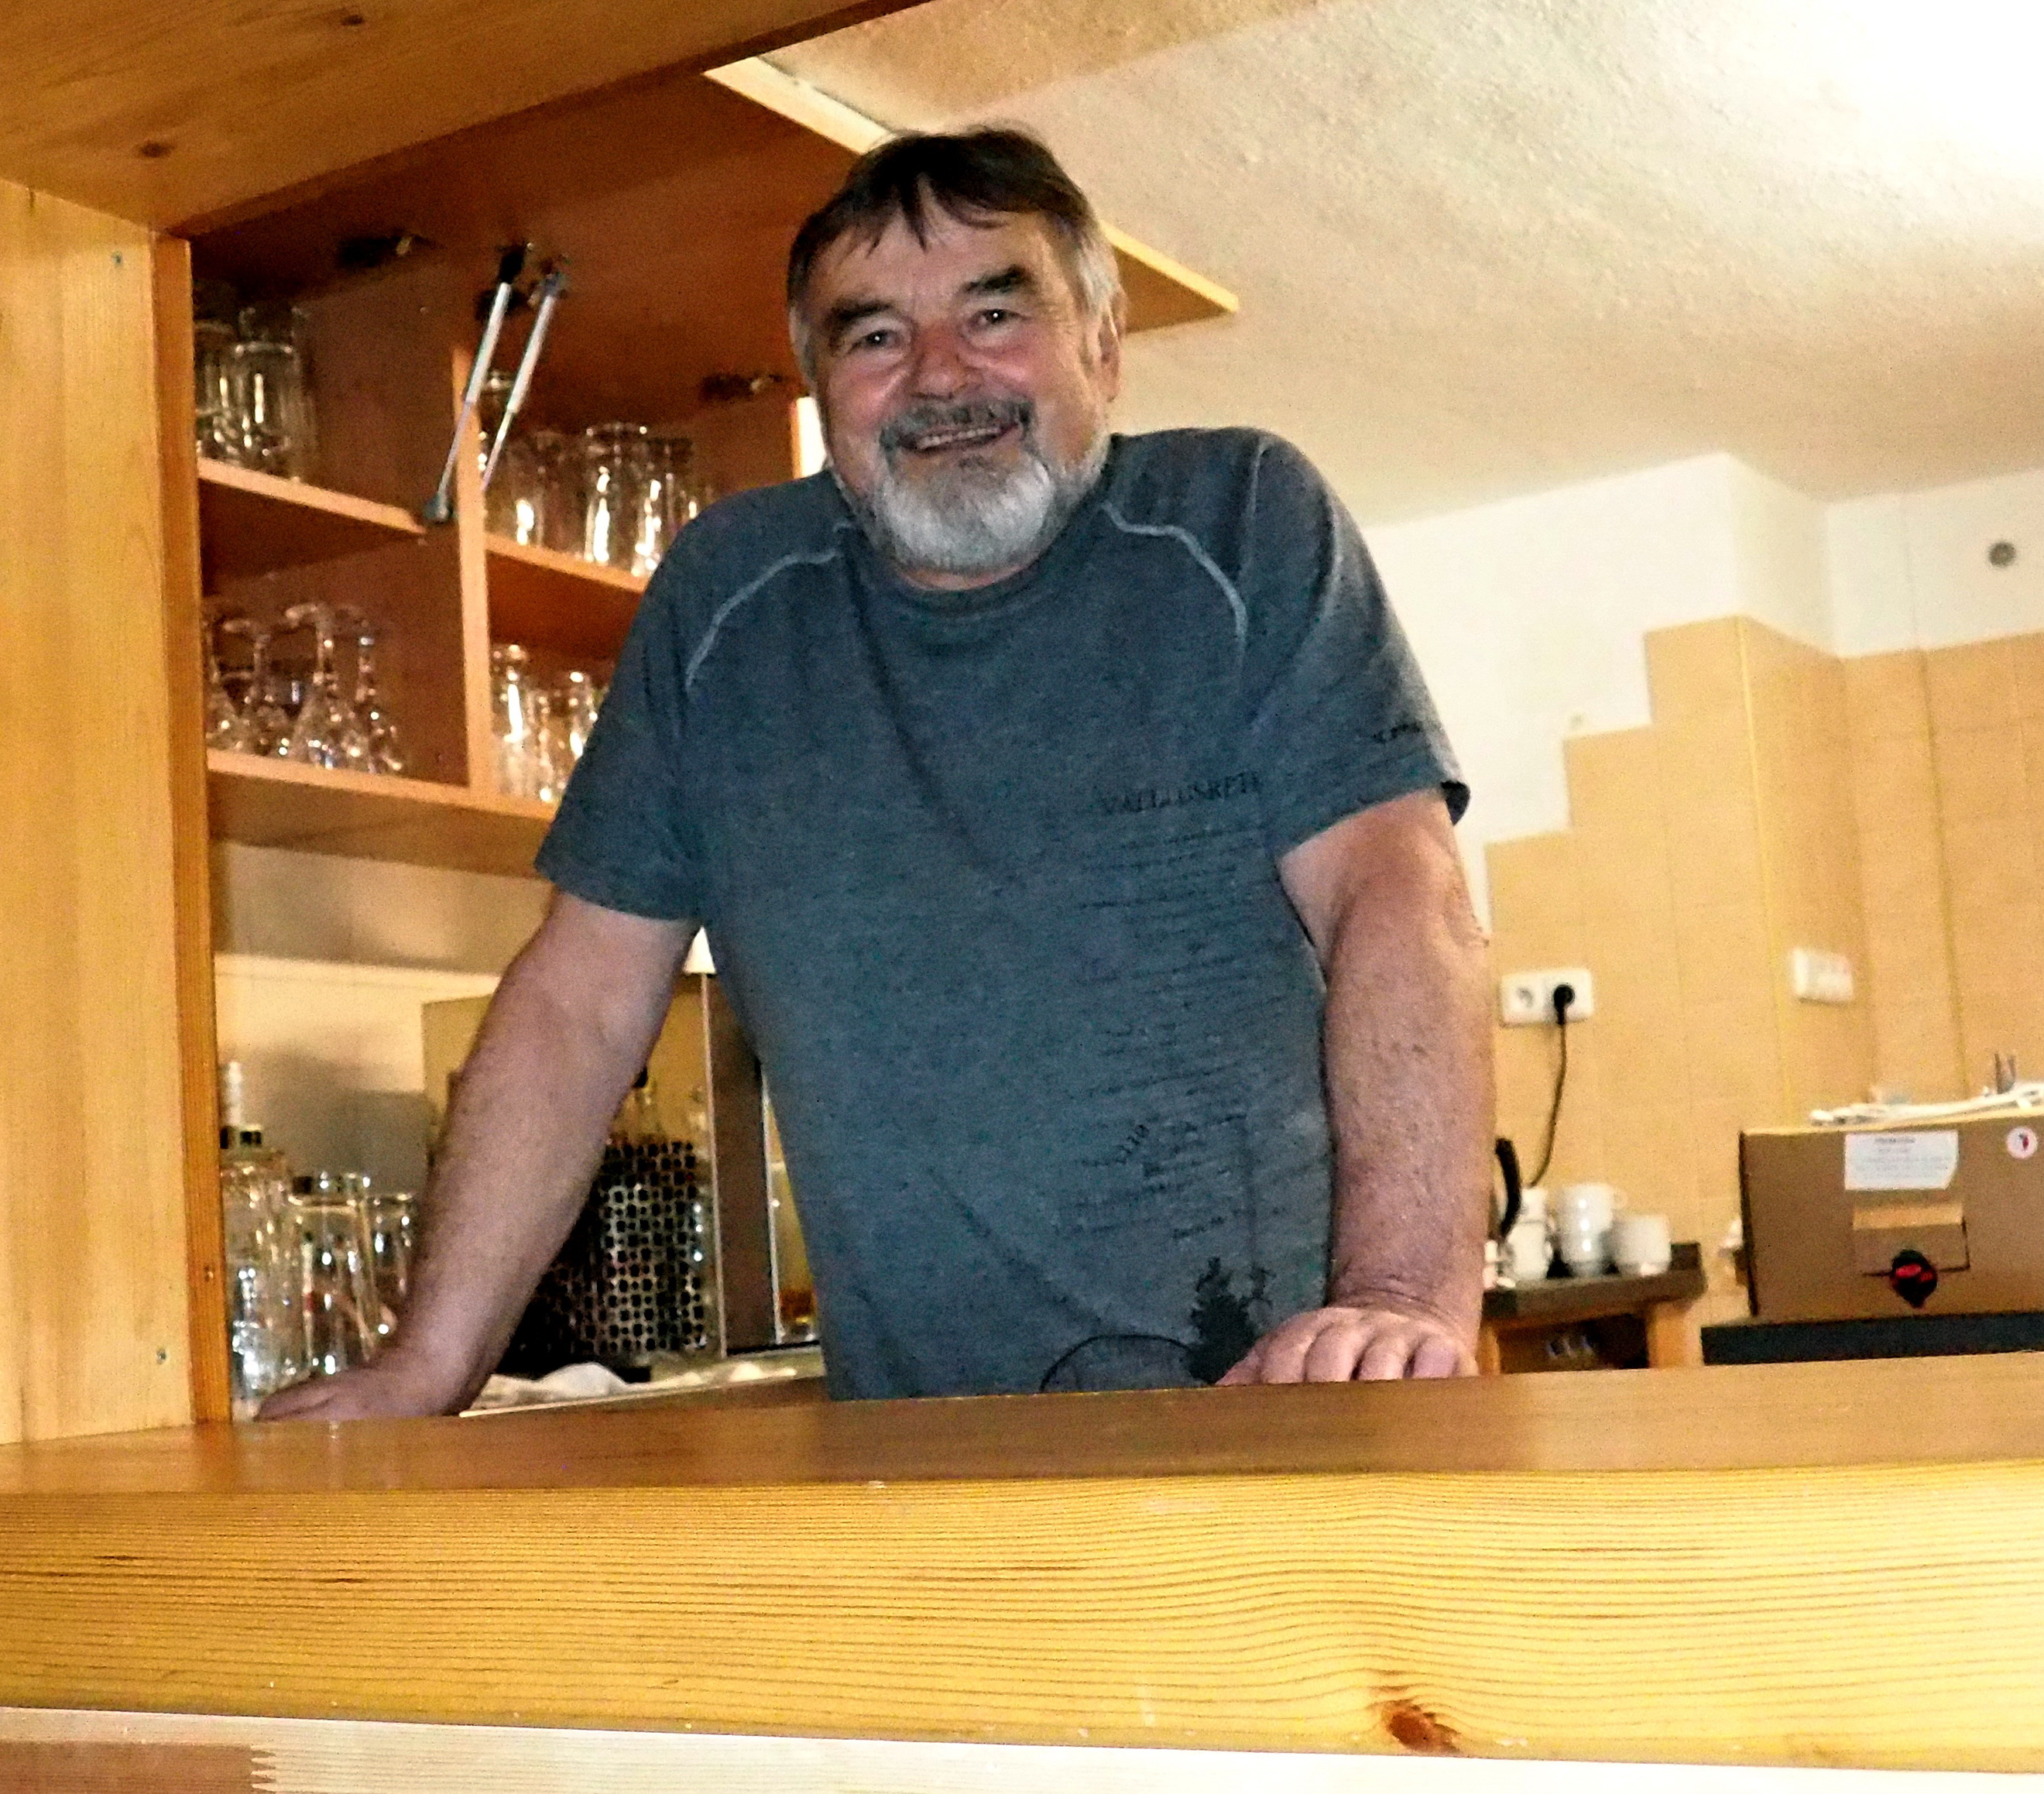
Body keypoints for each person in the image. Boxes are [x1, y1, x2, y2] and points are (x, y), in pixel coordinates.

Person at [259, 127, 1494, 1414]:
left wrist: (1401, 1299)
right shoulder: (725, 604)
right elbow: (578, 1002)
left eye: (995, 313)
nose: (941, 375)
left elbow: (1397, 893)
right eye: (876, 337)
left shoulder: (1239, 523)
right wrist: (427, 1364)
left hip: (1283, 1413)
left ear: (1104, 345)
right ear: (821, 388)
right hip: (914, 1460)